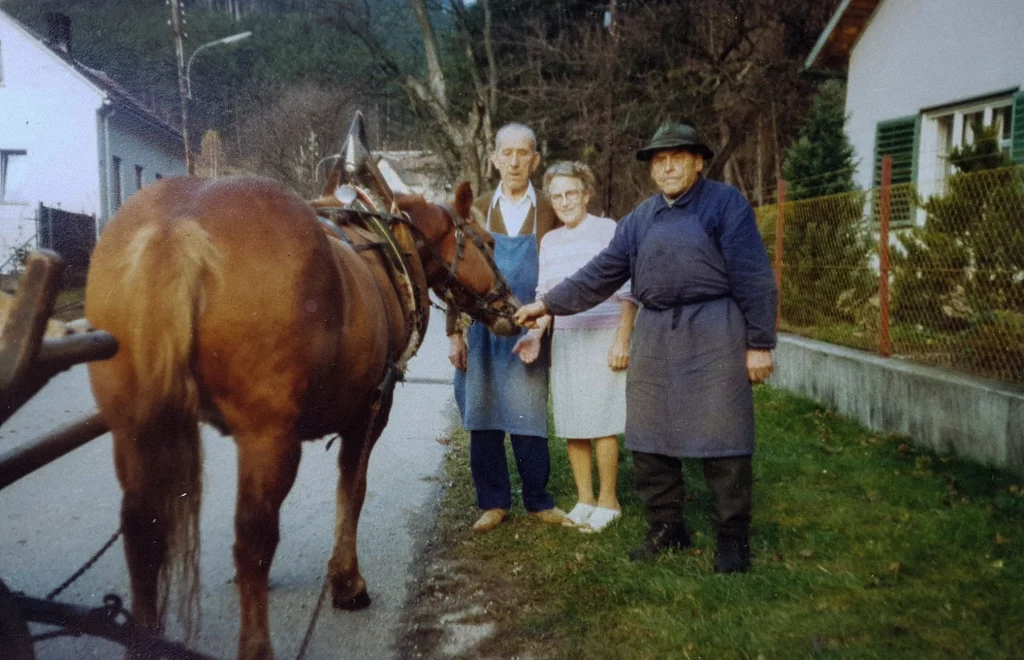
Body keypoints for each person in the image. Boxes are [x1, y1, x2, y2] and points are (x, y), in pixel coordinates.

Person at [514, 121, 777, 572]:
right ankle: (667, 525)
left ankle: (733, 539)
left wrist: (759, 344)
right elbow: (600, 274)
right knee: (649, 433)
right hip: (655, 329)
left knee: (723, 433)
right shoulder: (641, 219)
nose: (668, 165)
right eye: (659, 159)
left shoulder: (725, 204)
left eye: (678, 156)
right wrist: (547, 305)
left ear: (698, 161)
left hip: (714, 325)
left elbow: (754, 276)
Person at [448, 123, 567, 533]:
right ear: (495, 158)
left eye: (523, 153)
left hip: (530, 327)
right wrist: (454, 333)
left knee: (528, 411)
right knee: (482, 412)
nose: (515, 162)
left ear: (535, 160)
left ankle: (538, 500)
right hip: (481, 327)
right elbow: (454, 273)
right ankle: (493, 502)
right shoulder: (476, 208)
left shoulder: (551, 209)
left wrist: (545, 320)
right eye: (507, 153)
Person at [526, 161, 637, 533]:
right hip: (569, 339)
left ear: (586, 193)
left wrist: (622, 339)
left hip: (604, 336)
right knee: (574, 421)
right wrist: (535, 334)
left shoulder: (608, 230)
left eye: (571, 192)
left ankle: (609, 500)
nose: (564, 201)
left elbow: (628, 292)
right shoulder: (550, 241)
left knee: (602, 421)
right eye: (556, 196)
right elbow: (545, 298)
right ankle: (585, 499)